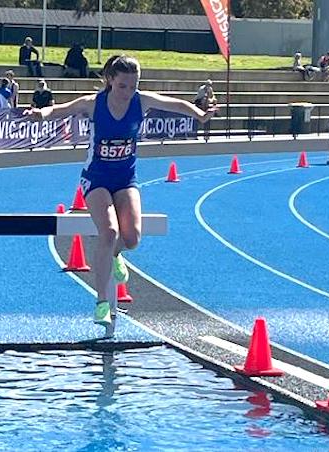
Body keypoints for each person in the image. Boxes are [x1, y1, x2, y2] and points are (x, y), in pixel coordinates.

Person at [24, 54, 215, 328]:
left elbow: (176, 104)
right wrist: (40, 113)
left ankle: (112, 253)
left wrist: (200, 114)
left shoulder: (142, 101)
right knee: (109, 231)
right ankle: (101, 301)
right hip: (96, 179)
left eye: (134, 86)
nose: (128, 92)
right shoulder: (94, 104)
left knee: (133, 238)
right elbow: (61, 110)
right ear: (110, 80)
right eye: (123, 86)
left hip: (126, 179)